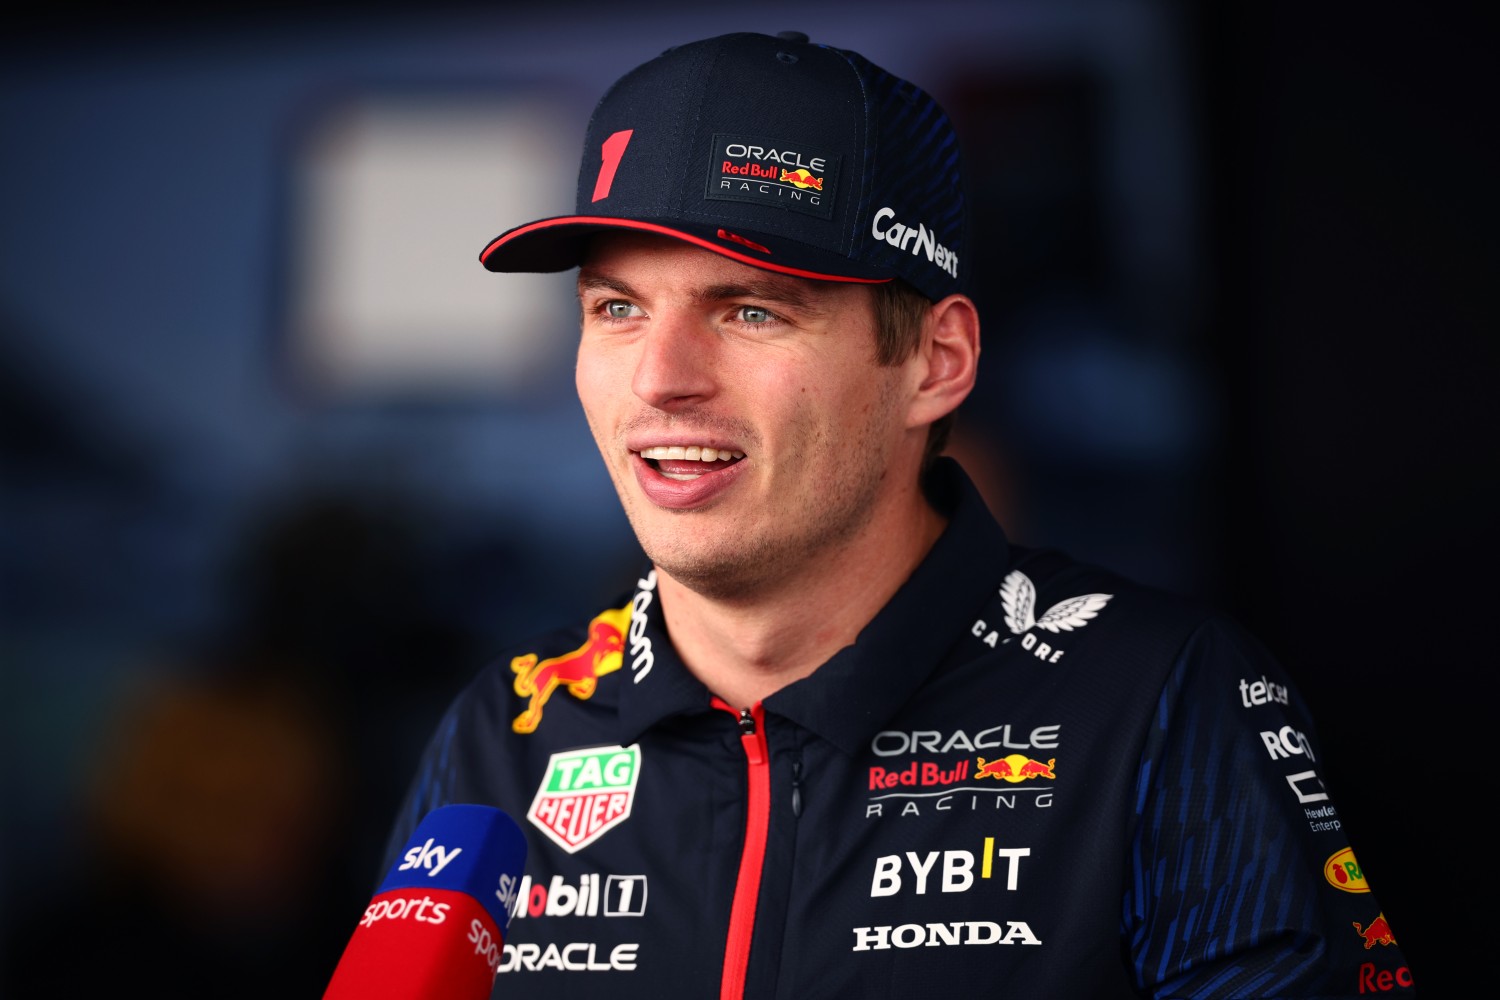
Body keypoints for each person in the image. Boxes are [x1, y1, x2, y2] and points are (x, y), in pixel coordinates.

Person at [380, 30, 1414, 998]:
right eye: (616, 308)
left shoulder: (1163, 699)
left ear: (936, 360)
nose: (659, 379)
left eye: (749, 310)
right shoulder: (503, 731)